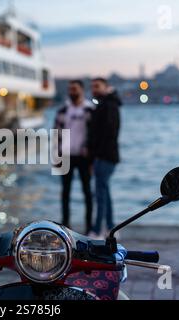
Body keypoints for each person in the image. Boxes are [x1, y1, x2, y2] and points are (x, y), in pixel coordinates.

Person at [54, 79, 95, 234]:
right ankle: (65, 226)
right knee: (65, 192)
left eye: (75, 89)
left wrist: (92, 157)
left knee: (87, 192)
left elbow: (95, 136)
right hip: (66, 155)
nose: (72, 92)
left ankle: (89, 227)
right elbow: (56, 134)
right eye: (70, 89)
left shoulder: (90, 109)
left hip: (84, 156)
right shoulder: (64, 110)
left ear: (82, 90)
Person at [89, 77, 122, 238]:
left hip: (105, 156)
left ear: (106, 87)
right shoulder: (107, 104)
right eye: (92, 87)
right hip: (107, 155)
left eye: (97, 86)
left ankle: (97, 231)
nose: (94, 89)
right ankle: (110, 228)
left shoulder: (108, 106)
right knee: (105, 192)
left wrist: (96, 154)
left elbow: (108, 133)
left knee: (100, 194)